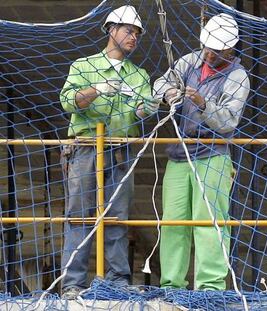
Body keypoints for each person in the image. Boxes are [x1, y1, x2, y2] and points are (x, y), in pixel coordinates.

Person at [59, 5, 158, 299]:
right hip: (86, 148)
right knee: (80, 216)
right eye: (129, 30)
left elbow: (140, 112)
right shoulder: (83, 67)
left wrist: (150, 106)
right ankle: (73, 283)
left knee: (117, 216)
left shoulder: (139, 75)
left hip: (120, 150)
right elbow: (68, 102)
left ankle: (117, 280)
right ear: (111, 30)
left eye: (137, 34)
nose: (134, 37)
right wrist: (96, 90)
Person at [153, 13, 250, 290]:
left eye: (216, 50)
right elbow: (160, 83)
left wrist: (202, 102)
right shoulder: (189, 61)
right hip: (180, 152)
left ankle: (210, 287)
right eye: (207, 47)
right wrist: (168, 94)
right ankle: (172, 285)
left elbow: (229, 121)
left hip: (213, 154)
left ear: (230, 49)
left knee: (210, 221)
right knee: (173, 222)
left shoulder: (237, 77)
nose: (208, 54)